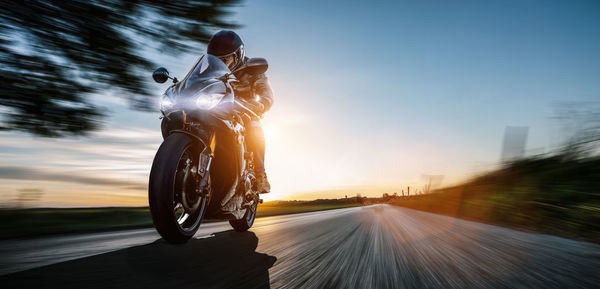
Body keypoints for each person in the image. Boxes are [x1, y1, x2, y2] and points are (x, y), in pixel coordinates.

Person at [207, 30, 273, 194]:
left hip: (244, 112)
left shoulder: (253, 68)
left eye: (226, 59)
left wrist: (260, 105)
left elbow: (266, 93)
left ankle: (260, 174)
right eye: (217, 60)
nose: (222, 63)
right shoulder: (209, 69)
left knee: (254, 128)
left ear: (238, 55)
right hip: (215, 109)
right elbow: (196, 82)